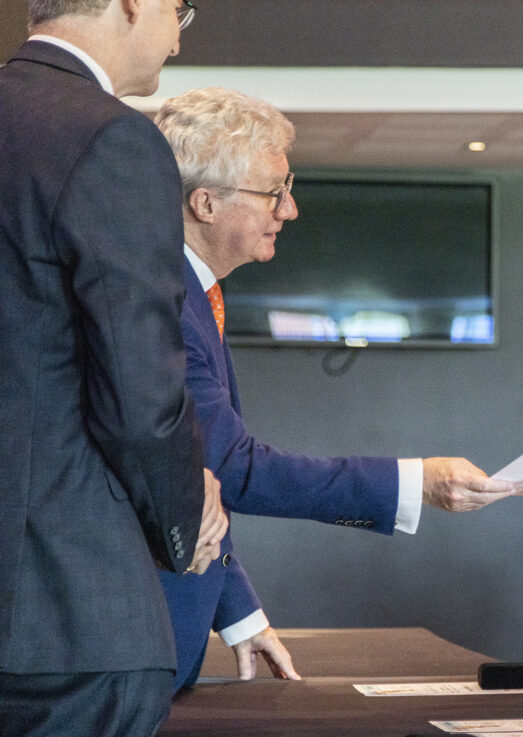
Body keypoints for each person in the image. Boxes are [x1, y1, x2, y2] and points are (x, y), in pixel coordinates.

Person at [153, 87, 516, 691]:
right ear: (204, 203)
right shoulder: (159, 302)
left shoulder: (194, 294)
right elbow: (226, 468)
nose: (290, 210)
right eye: (274, 192)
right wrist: (415, 482)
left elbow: (197, 484)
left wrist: (237, 612)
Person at [0, 2, 228, 736]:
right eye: (178, 8)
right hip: (62, 619)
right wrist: (183, 519)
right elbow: (139, 396)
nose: (181, 28)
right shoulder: (110, 139)